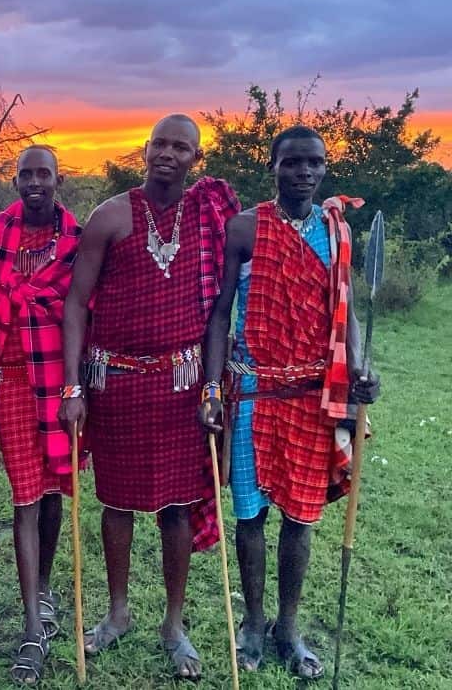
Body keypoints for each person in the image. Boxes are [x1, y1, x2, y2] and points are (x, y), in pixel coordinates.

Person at [59, 115, 241, 679]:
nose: (167, 153)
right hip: (115, 385)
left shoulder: (211, 221)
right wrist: (72, 387)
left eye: (180, 146)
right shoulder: (110, 215)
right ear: (144, 149)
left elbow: (218, 316)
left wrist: (213, 387)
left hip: (183, 386)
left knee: (177, 507)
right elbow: (75, 304)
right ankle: (117, 613)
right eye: (160, 143)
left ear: (195, 158)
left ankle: (173, 622)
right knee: (116, 503)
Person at [199, 125, 380, 679]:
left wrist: (360, 373)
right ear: (273, 165)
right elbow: (220, 313)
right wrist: (210, 389)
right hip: (255, 393)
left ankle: (289, 626)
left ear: (325, 168)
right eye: (293, 162)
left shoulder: (336, 231)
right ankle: (252, 623)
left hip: (313, 398)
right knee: (250, 516)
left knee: (300, 519)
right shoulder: (245, 229)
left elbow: (342, 314)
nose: (305, 172)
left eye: (315, 163)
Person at [0, 145, 81, 683]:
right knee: (24, 500)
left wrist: (79, 387)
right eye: (26, 174)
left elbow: (84, 311)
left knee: (54, 488)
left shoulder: (76, 240)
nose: (35, 182)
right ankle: (33, 627)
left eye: (44, 173)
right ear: (14, 181)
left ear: (59, 180)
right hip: (10, 380)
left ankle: (44, 586)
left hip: (60, 382)